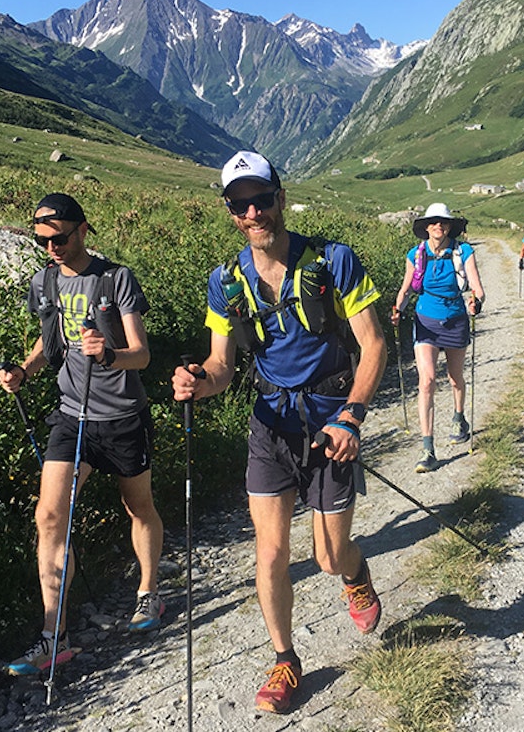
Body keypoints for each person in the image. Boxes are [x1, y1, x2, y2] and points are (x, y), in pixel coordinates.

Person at [171, 150, 388, 715]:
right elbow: (222, 369)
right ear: (229, 211)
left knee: (327, 555)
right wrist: (198, 380)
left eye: (260, 200)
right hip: (270, 424)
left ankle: (356, 572)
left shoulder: (333, 261)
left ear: (280, 198)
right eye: (239, 205)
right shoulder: (226, 282)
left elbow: (374, 345)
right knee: (269, 553)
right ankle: (285, 660)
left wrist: (353, 415)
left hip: (328, 418)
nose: (252, 213)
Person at [0, 193, 163, 677]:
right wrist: (23, 371)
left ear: (83, 230)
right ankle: (54, 637)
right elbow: (49, 345)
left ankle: (148, 593)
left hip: (123, 416)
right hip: (72, 416)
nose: (52, 247)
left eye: (60, 238)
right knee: (49, 516)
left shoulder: (115, 278)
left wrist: (109, 355)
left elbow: (142, 354)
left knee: (138, 507)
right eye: (42, 240)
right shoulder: (44, 282)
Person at [391, 202, 486, 473]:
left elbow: (478, 288)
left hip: (456, 318)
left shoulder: (463, 251)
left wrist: (476, 302)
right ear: (426, 227)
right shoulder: (415, 254)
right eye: (433, 222)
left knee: (455, 378)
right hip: (425, 321)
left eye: (443, 222)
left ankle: (459, 418)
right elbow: (407, 289)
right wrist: (398, 308)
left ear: (449, 226)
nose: (438, 226)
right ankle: (427, 449)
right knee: (427, 380)